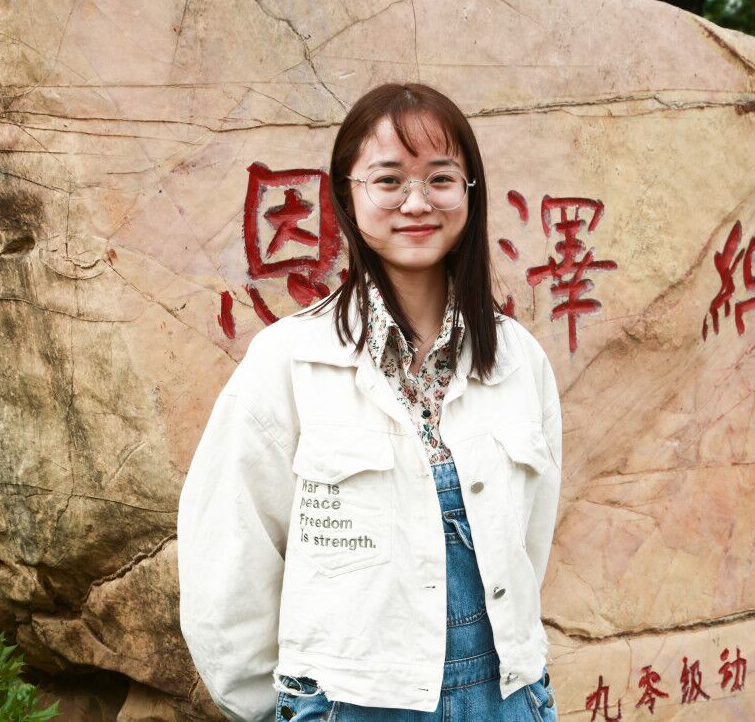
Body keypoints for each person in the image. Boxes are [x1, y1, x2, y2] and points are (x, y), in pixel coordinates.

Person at [177, 83, 562, 722]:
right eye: (388, 180)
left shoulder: (518, 360)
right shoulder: (288, 361)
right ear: (347, 194)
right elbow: (230, 556)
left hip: (506, 699)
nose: (416, 202)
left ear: (470, 192)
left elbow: (529, 541)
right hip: (346, 705)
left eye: (441, 178)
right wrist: (280, 710)